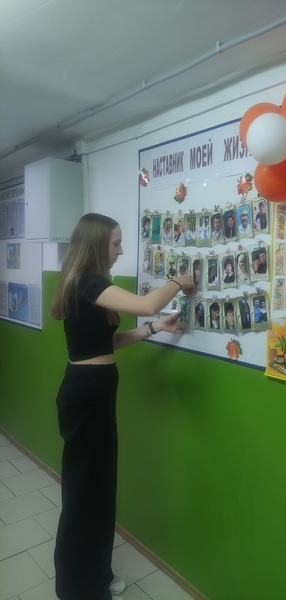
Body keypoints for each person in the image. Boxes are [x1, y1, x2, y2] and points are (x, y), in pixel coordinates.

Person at [50, 213, 195, 600]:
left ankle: (97, 576)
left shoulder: (89, 284)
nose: (120, 249)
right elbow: (146, 304)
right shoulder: (87, 281)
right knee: (84, 495)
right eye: (115, 242)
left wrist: (156, 328)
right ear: (97, 244)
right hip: (86, 397)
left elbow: (104, 343)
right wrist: (179, 282)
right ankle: (77, 588)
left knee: (99, 492)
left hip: (93, 393)